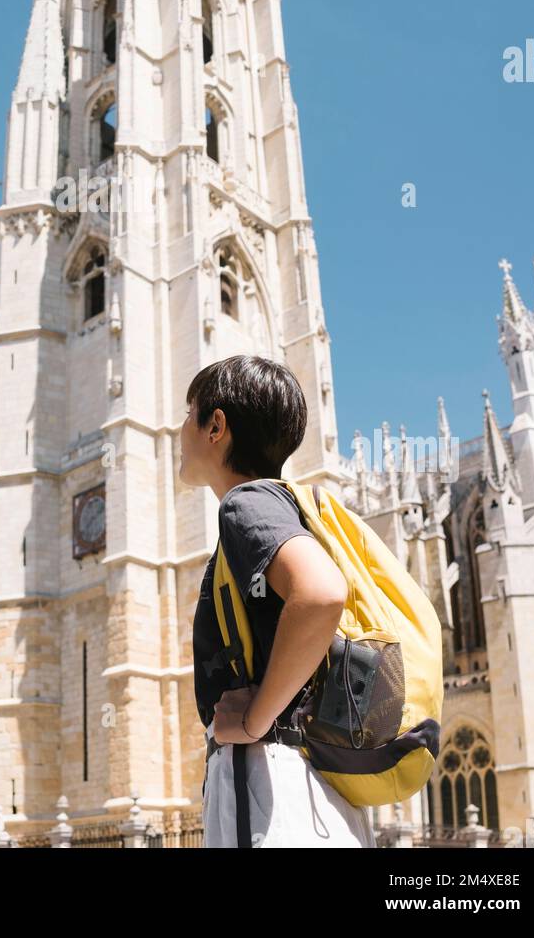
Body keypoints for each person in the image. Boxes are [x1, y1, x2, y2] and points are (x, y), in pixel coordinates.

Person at [181, 354, 376, 849]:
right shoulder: (288, 506)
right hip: (306, 786)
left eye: (189, 414)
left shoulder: (246, 503)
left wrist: (253, 721)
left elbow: (321, 593)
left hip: (271, 787)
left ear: (216, 427)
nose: (179, 430)